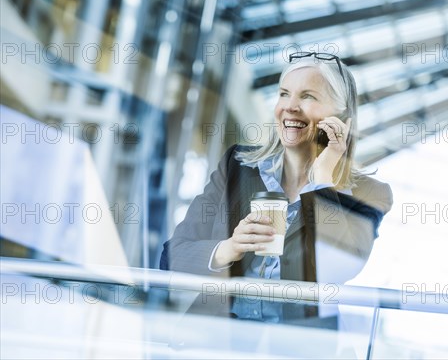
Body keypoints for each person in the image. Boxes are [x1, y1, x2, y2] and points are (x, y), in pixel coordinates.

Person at [160, 51, 393, 322]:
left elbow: (331, 271)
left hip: (294, 348)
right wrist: (229, 248)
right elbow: (171, 258)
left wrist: (324, 181)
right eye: (284, 94)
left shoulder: (370, 194)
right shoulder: (237, 167)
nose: (290, 106)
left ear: (340, 116)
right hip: (216, 341)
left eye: (308, 96)